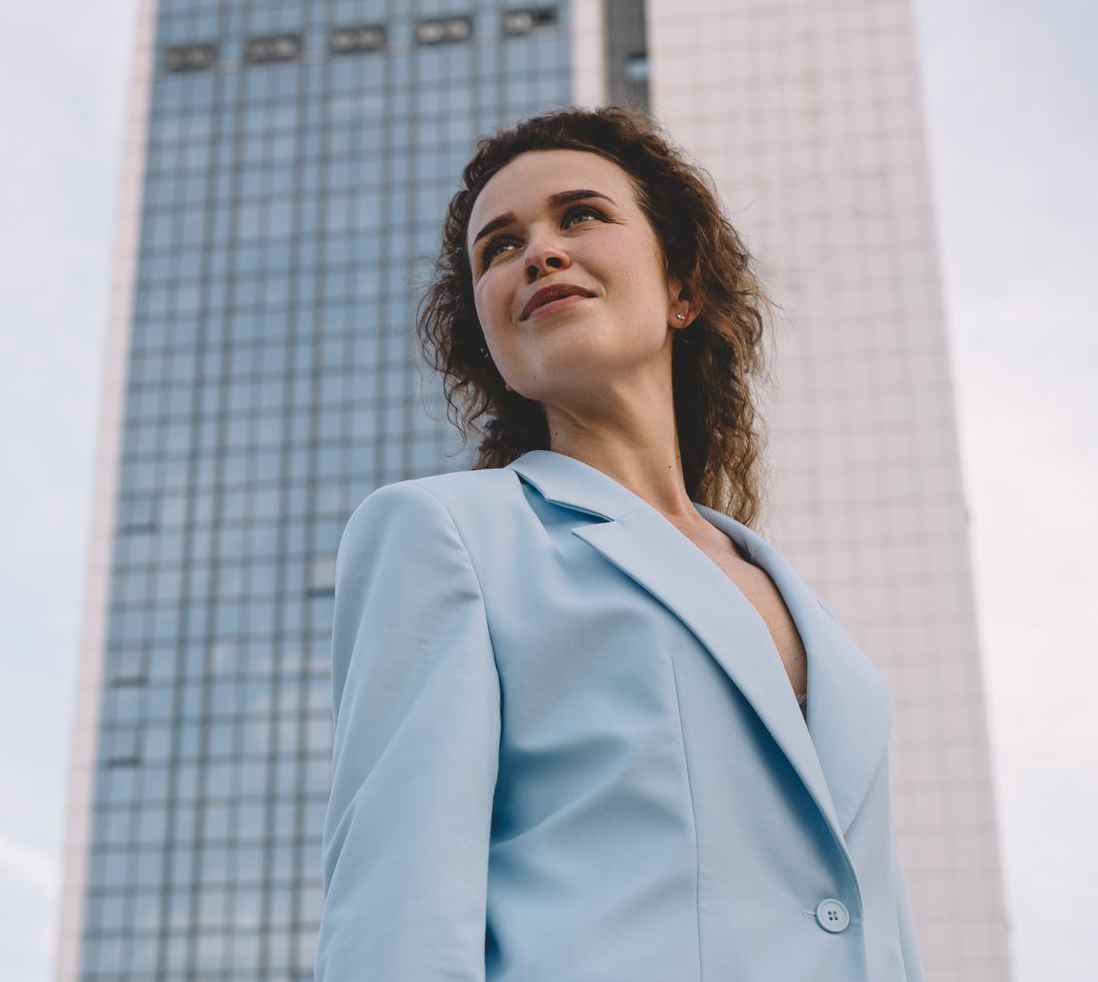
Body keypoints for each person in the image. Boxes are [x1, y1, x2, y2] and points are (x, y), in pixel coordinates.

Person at [314, 105, 927, 982]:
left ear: (684, 288)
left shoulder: (801, 605)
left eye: (582, 215)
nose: (541, 252)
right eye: (500, 247)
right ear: (490, 340)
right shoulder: (448, 535)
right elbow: (395, 921)